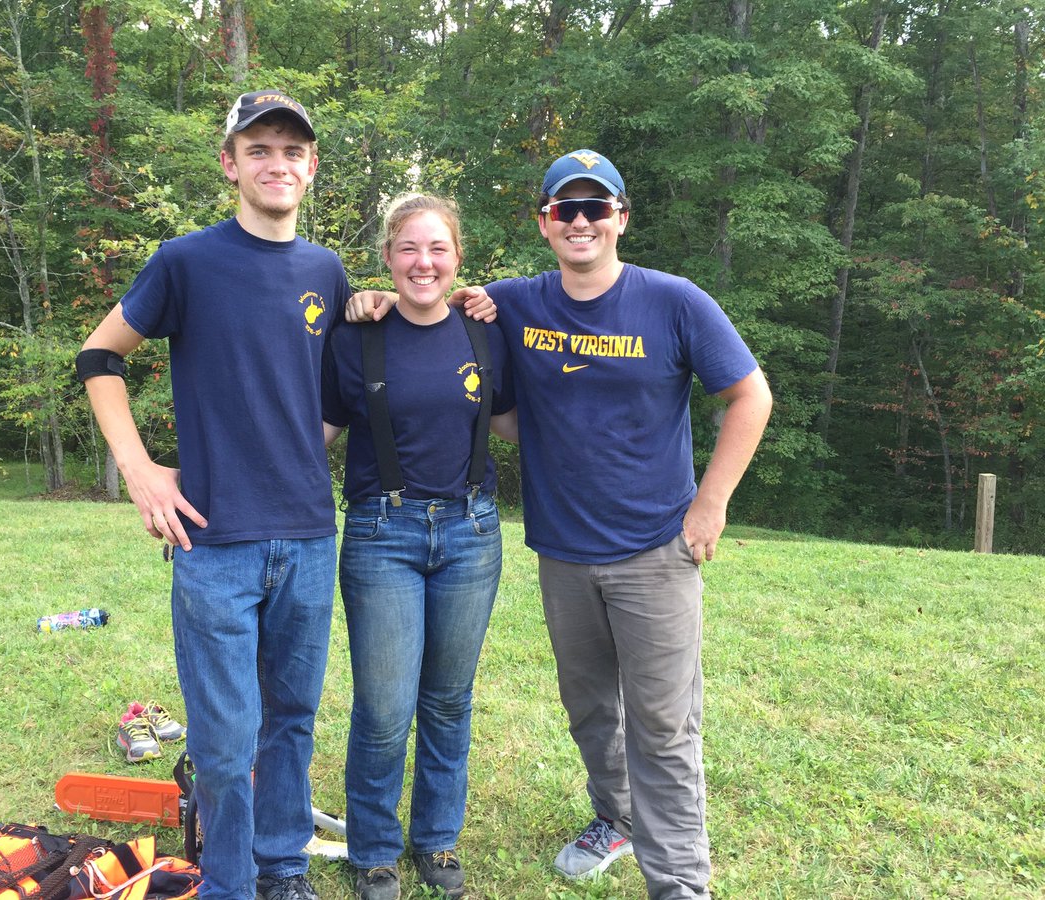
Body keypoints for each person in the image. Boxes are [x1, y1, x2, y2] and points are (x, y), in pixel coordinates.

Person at [350, 150, 772, 899]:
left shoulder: (675, 301)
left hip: (655, 550)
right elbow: (439, 303)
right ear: (545, 222)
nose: (581, 221)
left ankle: (679, 882)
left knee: (664, 722)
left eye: (596, 208)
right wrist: (372, 298)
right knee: (590, 710)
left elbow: (750, 395)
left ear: (620, 218)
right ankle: (614, 817)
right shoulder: (513, 302)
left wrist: (711, 502)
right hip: (563, 552)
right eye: (565, 209)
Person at [76, 91, 349, 900]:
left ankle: (283, 869)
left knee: (291, 721)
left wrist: (297, 450)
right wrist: (141, 468)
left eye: (292, 151)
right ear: (230, 164)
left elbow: (331, 396)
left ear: (311, 169)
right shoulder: (185, 261)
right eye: (258, 149)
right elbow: (99, 357)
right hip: (214, 543)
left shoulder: (326, 271)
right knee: (228, 741)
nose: (277, 163)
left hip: (307, 536)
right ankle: (229, 883)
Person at [321, 194, 516, 900]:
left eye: (437, 248)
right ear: (387, 258)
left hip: (471, 532)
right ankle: (373, 849)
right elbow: (314, 436)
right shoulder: (354, 337)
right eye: (408, 248)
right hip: (382, 534)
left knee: (447, 701)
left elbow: (518, 424)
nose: (423, 262)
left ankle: (436, 841)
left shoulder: (486, 332)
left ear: (458, 258)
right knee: (383, 706)